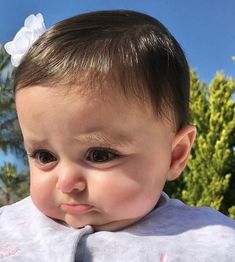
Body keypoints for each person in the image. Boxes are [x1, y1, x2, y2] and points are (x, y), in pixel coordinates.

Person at [1, 10, 234, 262]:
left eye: (99, 155)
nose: (66, 183)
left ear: (174, 155)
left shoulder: (210, 241)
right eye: (45, 156)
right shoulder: (11, 227)